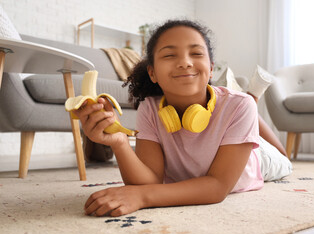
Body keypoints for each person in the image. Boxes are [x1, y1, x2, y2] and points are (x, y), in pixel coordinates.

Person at [74, 19, 292, 217]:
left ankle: (250, 99)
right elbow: (149, 181)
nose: (185, 62)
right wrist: (119, 142)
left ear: (211, 69)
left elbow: (217, 187)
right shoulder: (150, 108)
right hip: (232, 128)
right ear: (152, 73)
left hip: (256, 161)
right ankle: (247, 103)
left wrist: (142, 197)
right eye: (169, 55)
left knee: (284, 160)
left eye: (196, 54)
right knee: (242, 106)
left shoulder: (239, 107)